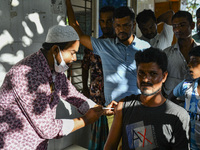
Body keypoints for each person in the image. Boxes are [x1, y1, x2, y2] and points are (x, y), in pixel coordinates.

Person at [0, 25, 115, 150]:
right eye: (73, 52)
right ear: (55, 50)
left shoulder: (54, 71)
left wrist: (100, 109)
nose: (75, 58)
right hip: (16, 144)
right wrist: (85, 120)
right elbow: (48, 129)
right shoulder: (28, 75)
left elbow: (73, 95)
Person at [65, 0, 150, 130]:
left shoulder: (146, 47)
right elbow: (77, 33)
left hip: (139, 110)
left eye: (126, 25)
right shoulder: (104, 45)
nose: (121, 29)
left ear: (133, 25)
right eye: (117, 26)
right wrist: (68, 3)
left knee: (141, 147)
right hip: (114, 112)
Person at [104, 47, 190, 150]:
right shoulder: (124, 106)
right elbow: (110, 147)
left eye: (153, 74)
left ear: (164, 76)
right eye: (141, 73)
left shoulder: (179, 115)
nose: (145, 79)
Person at [81, 6, 115, 150]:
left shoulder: (119, 45)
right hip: (96, 96)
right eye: (102, 21)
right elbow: (84, 67)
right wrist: (84, 88)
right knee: (98, 132)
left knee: (115, 133)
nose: (105, 25)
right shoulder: (92, 45)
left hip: (114, 97)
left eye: (109, 21)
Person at [168, 46, 200, 149]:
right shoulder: (187, 84)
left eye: (194, 61)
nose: (189, 65)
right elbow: (170, 98)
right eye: (189, 61)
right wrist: (181, 109)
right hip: (186, 144)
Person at [163, 10, 199, 98]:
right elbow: (160, 81)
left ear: (192, 25)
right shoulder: (166, 54)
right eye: (174, 26)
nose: (178, 29)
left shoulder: (199, 51)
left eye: (182, 25)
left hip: (194, 105)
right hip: (171, 102)